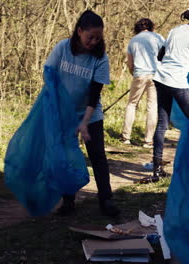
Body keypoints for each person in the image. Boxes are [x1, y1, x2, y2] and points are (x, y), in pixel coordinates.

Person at [44, 10, 120, 217]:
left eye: (98, 38)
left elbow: (94, 95)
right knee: (67, 156)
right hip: (64, 112)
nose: (94, 41)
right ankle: (68, 201)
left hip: (90, 114)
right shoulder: (62, 48)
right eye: (90, 37)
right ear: (79, 31)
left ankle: (106, 200)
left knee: (97, 156)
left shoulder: (100, 58)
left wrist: (85, 122)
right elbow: (49, 77)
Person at [139, 4, 189, 184]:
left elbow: (160, 56)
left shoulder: (175, 30)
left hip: (161, 77)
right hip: (176, 80)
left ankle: (157, 170)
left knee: (162, 123)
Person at [121, 18, 164, 148]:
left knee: (132, 104)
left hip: (139, 74)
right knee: (152, 106)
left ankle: (125, 137)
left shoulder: (133, 40)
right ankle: (148, 140)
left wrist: (134, 74)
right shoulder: (159, 38)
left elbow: (130, 63)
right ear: (151, 26)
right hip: (155, 75)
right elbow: (164, 57)